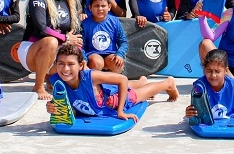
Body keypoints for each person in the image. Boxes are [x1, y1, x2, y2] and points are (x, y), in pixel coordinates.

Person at [46, 44, 179, 122]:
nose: (65, 69)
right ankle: (140, 81)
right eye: (61, 64)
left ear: (81, 65)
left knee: (139, 95)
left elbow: (122, 79)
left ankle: (167, 83)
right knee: (113, 85)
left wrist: (120, 111)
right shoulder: (58, 81)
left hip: (112, 101)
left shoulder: (90, 76)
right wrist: (52, 106)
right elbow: (67, 105)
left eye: (70, 64)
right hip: (103, 91)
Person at [16, 0, 83, 100]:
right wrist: (65, 38)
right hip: (32, 50)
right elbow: (41, 28)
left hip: (57, 49)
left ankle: (51, 78)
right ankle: (38, 85)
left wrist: (73, 42)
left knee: (77, 51)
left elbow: (73, 31)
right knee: (51, 41)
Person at [82, 0, 129, 73]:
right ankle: (95, 82)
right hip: (93, 55)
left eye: (103, 6)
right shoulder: (85, 24)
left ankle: (111, 83)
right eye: (96, 6)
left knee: (117, 64)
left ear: (109, 7)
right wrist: (84, 60)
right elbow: (80, 45)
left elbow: (123, 42)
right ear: (90, 7)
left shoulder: (115, 22)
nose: (100, 9)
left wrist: (120, 54)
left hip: (110, 54)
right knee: (97, 62)